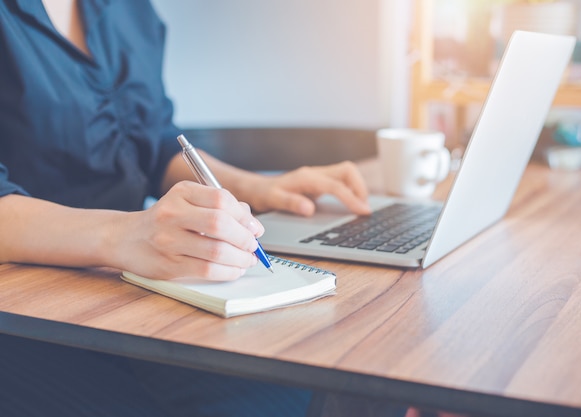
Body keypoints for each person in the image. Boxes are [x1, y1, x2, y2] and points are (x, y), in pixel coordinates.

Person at [0, 1, 412, 417]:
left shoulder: (128, 9)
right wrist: (124, 235)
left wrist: (260, 188)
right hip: (25, 308)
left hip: (122, 289)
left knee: (343, 380)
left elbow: (155, 143)